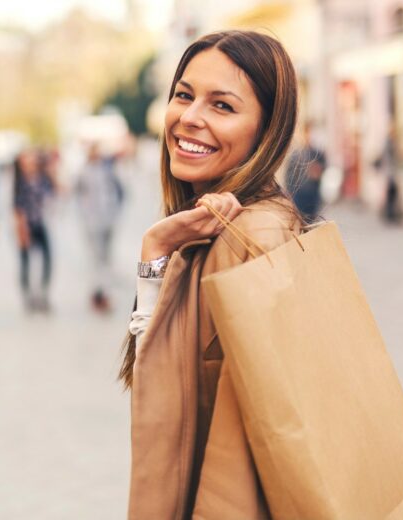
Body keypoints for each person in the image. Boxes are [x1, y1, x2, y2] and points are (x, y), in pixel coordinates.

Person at [119, 30, 305, 519]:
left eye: (222, 105)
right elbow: (170, 379)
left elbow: (239, 448)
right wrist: (155, 251)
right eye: (184, 95)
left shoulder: (254, 237)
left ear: (267, 131)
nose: (189, 117)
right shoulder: (207, 230)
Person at [74, 143, 124, 312]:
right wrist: (84, 213)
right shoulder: (83, 172)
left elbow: (120, 190)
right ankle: (99, 292)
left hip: (108, 218)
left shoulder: (107, 170)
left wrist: (115, 210)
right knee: (97, 258)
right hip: (92, 221)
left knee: (106, 258)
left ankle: (104, 291)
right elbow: (77, 193)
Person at [13, 148, 56, 312]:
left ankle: (43, 293)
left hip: (40, 223)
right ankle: (28, 295)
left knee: (47, 260)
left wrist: (51, 172)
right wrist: (21, 229)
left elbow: (57, 192)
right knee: (26, 263)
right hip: (25, 225)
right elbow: (17, 206)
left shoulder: (43, 178)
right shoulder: (20, 182)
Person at [285, 122, 326, 221]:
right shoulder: (295, 154)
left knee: (312, 221)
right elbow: (289, 175)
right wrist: (290, 194)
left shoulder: (317, 153)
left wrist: (318, 171)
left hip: (313, 194)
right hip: (299, 194)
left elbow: (323, 168)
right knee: (300, 220)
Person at [375, 126, 402, 224]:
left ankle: (390, 213)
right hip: (390, 172)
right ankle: (390, 214)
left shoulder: (389, 142)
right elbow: (388, 159)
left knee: (391, 194)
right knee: (391, 194)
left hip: (390, 172)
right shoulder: (389, 143)